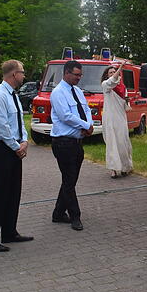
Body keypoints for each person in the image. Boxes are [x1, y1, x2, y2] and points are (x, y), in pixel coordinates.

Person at [0, 60, 33, 253]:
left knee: (13, 193)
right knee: (0, 194)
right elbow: (2, 126)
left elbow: (19, 122)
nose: (24, 75)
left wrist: (25, 141)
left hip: (14, 148)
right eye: (22, 72)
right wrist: (16, 147)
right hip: (3, 150)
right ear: (13, 74)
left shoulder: (13, 95)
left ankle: (9, 231)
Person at [50, 60, 93, 231]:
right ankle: (75, 216)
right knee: (69, 180)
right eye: (76, 75)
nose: (79, 78)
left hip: (77, 142)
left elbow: (87, 110)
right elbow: (65, 116)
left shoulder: (77, 91)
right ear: (66, 73)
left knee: (70, 180)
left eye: (80, 75)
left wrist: (88, 125)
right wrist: (84, 125)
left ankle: (58, 213)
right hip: (63, 143)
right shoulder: (58, 92)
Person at [101, 62, 133, 178]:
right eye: (111, 72)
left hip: (120, 118)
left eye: (114, 72)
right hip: (110, 119)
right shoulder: (106, 85)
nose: (113, 74)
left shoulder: (122, 87)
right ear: (106, 75)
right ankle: (114, 169)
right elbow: (112, 81)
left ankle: (125, 167)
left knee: (123, 143)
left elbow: (125, 100)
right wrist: (120, 67)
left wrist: (128, 105)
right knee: (112, 144)